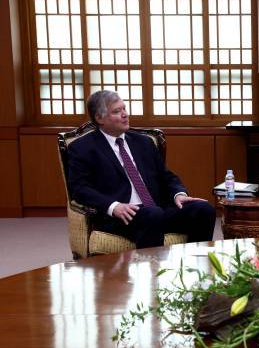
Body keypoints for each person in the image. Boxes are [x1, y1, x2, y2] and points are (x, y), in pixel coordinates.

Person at [68, 90, 216, 248]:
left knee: (204, 209)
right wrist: (113, 206)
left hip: (156, 210)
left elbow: (166, 176)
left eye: (124, 108)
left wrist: (178, 194)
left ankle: (194, 264)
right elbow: (79, 188)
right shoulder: (83, 147)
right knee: (153, 215)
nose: (125, 114)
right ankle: (153, 271)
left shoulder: (143, 142)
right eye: (117, 111)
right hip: (121, 217)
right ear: (99, 118)